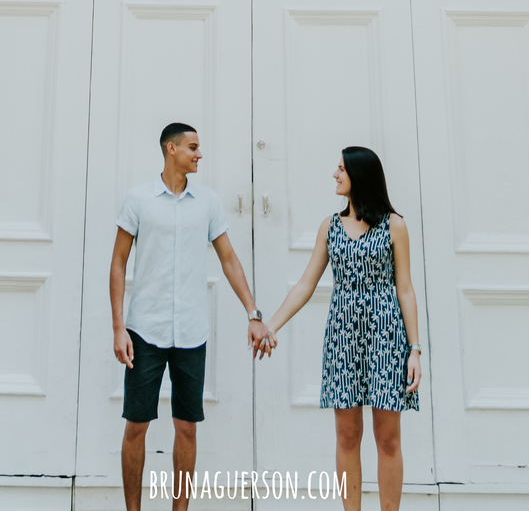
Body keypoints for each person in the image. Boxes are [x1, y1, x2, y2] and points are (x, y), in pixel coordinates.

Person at [111, 122, 274, 511]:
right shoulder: (138, 200)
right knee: (136, 426)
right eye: (193, 147)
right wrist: (119, 328)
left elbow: (229, 259)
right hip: (144, 331)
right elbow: (118, 263)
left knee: (186, 428)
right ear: (172, 149)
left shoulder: (208, 202)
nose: (200, 154)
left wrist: (253, 313)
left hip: (191, 332)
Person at [258, 146, 421, 511]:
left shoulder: (394, 225)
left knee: (387, 438)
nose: (335, 174)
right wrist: (271, 326)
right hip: (343, 338)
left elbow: (406, 290)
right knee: (347, 436)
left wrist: (415, 350)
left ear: (360, 176)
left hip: (386, 337)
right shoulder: (329, 227)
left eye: (341, 169)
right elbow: (305, 285)